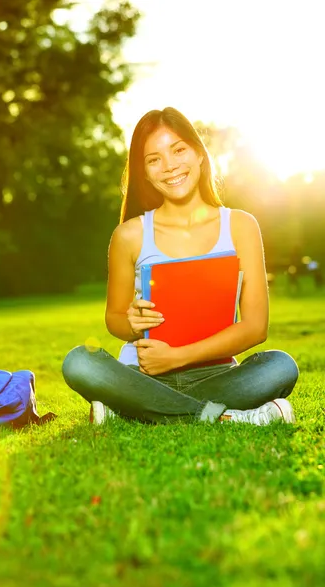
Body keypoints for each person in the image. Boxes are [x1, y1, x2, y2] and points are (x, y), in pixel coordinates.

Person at [62, 107, 299, 426]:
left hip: (216, 375)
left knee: (281, 366)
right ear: (144, 172)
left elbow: (255, 327)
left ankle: (134, 411)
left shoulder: (241, 226)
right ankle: (219, 417)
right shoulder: (129, 235)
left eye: (178, 150)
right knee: (79, 361)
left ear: (200, 154)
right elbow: (114, 319)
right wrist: (132, 323)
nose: (170, 166)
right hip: (142, 374)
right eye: (154, 159)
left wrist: (177, 357)